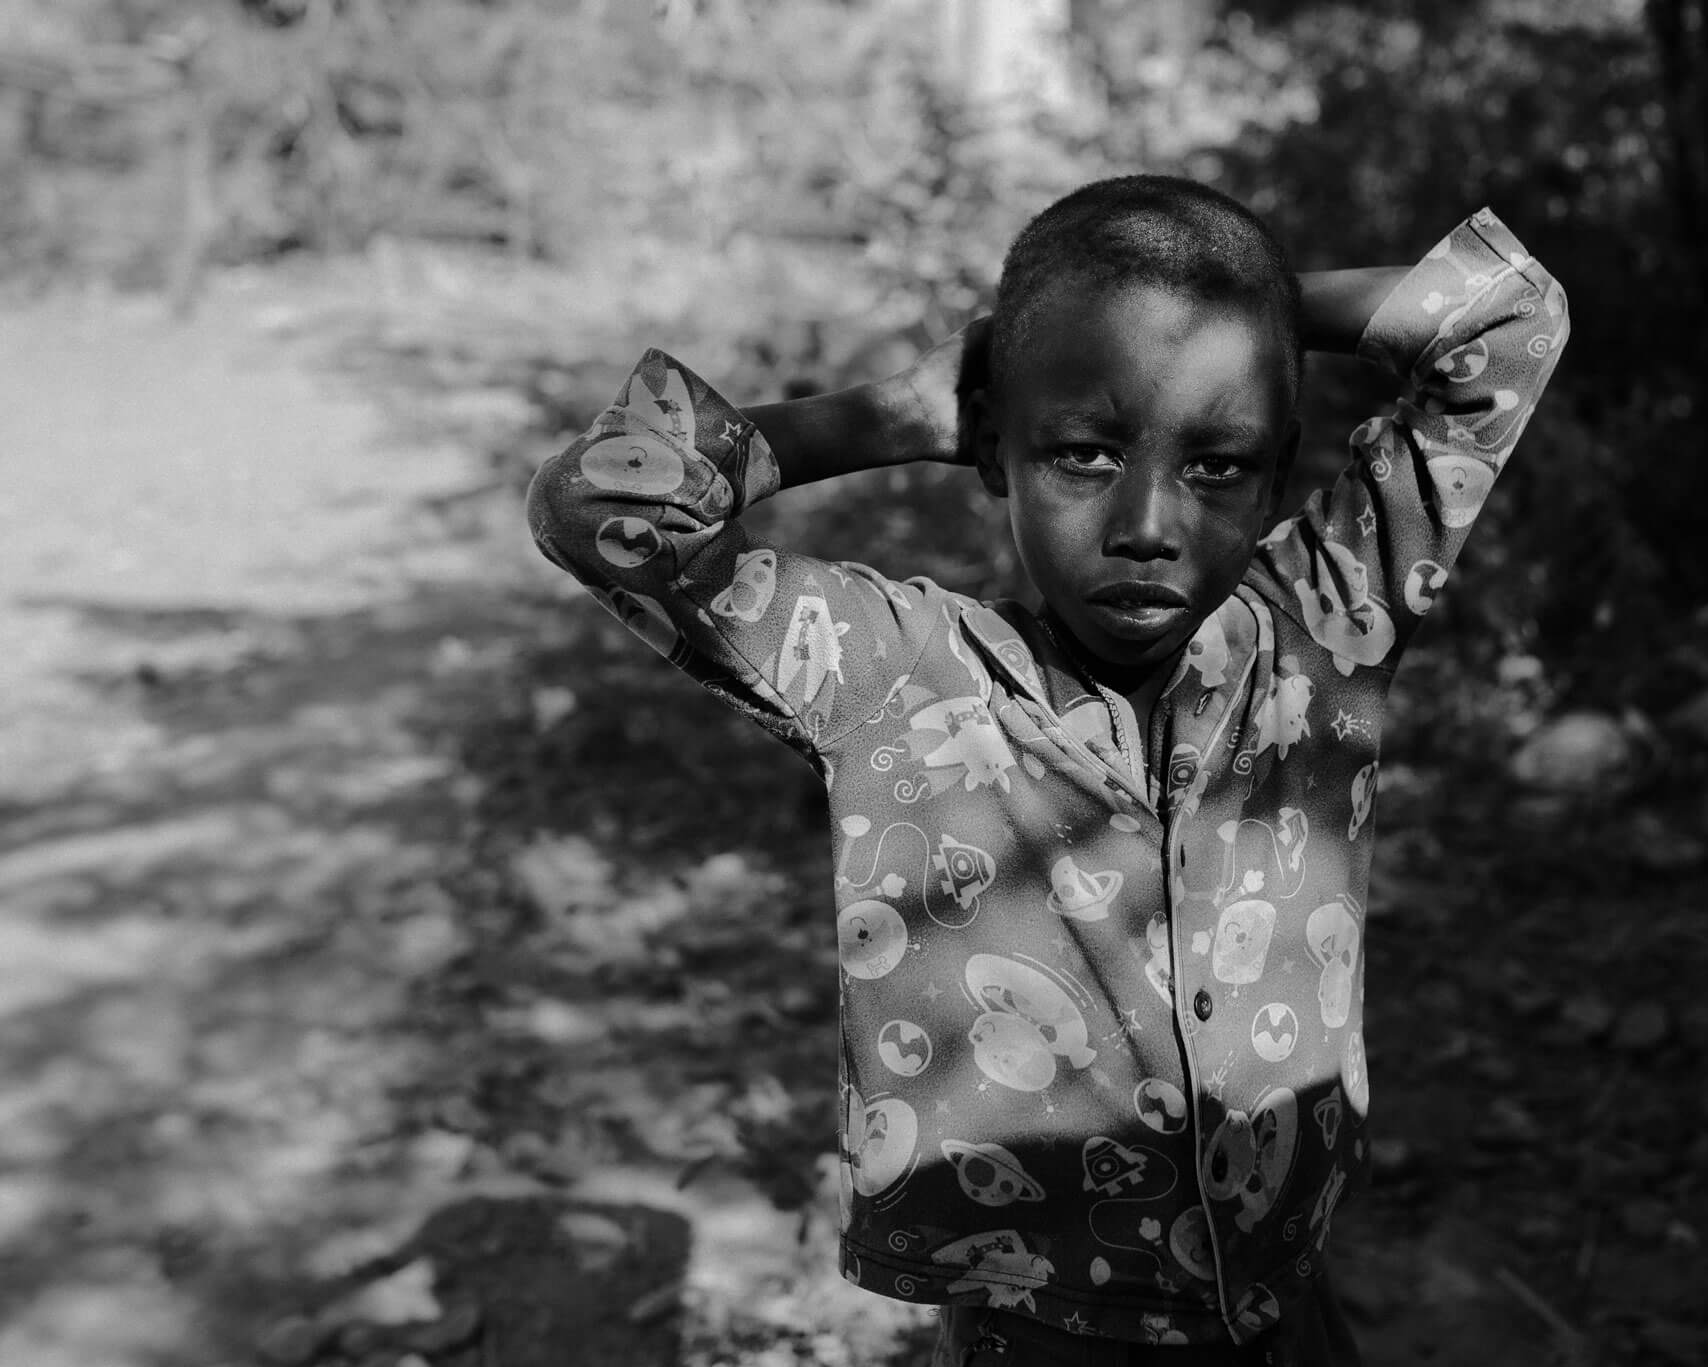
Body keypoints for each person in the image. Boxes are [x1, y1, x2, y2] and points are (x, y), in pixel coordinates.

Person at [526, 175, 1568, 1364]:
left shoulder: (1318, 629)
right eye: (1080, 450)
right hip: (1045, 1334)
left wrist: (1256, 310)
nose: (1147, 521)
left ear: (1280, 473)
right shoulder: (900, 674)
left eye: (1218, 463)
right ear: (995, 455)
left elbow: (1507, 317)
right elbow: (596, 504)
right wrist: (889, 415)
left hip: (1283, 1305)